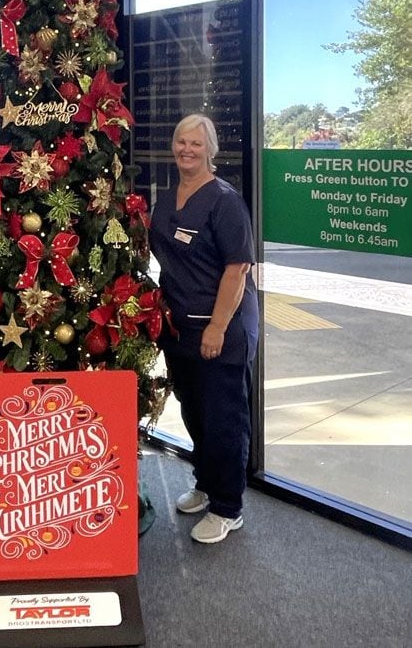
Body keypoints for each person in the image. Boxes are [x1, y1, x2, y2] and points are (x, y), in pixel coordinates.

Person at [149, 114, 259, 544]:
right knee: (194, 410)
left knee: (223, 419)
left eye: (196, 143)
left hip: (221, 329)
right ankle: (205, 483)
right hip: (180, 328)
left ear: (210, 150)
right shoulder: (168, 196)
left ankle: (229, 507)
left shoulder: (224, 201)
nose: (186, 149)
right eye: (181, 141)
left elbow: (238, 268)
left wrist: (217, 326)